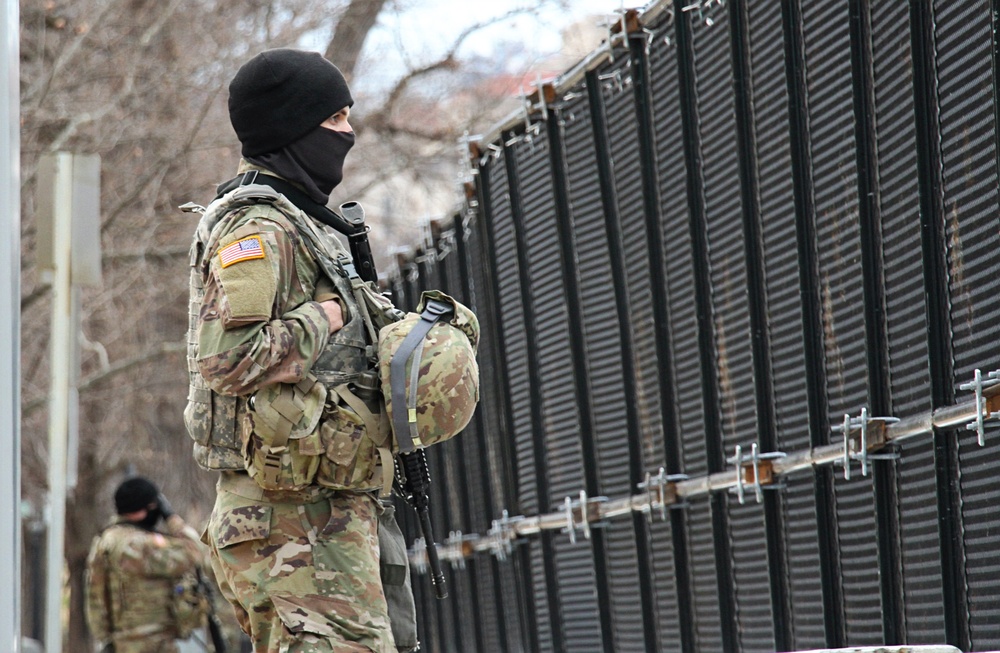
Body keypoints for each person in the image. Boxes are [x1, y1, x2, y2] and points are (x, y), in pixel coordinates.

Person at [192, 48, 398, 652]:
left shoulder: (303, 221)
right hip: (289, 525)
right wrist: (325, 315)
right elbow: (226, 359)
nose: (349, 132)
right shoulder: (260, 228)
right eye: (334, 119)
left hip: (316, 517)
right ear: (292, 129)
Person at [85, 476, 206, 653]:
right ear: (143, 509)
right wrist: (172, 519)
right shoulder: (139, 546)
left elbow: (95, 599)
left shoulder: (104, 541)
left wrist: (106, 638)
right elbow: (196, 553)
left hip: (120, 644)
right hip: (152, 644)